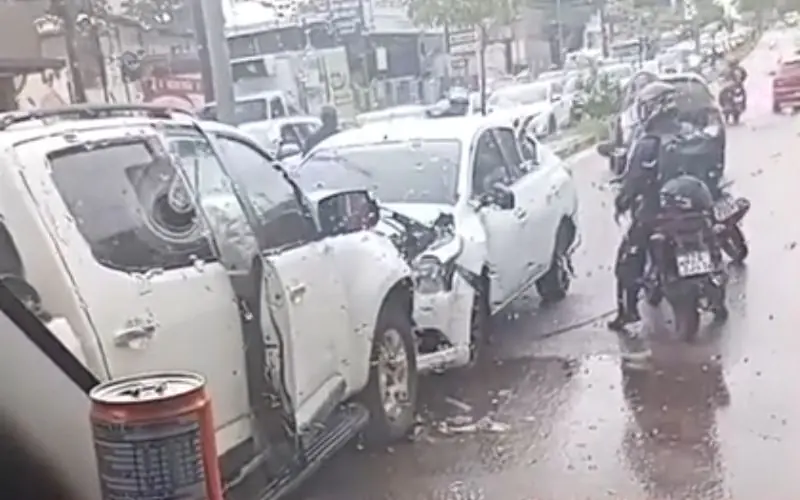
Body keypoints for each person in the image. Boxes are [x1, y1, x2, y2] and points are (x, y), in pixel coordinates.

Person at [608, 81, 683, 331]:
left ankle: (627, 312)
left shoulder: (648, 144)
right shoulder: (688, 133)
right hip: (694, 206)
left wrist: (622, 202)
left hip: (656, 212)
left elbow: (633, 181)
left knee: (626, 261)